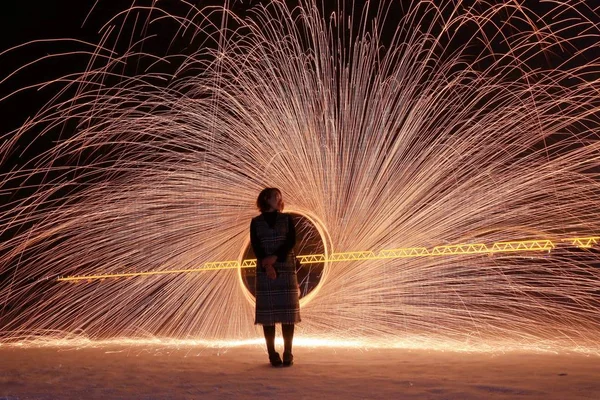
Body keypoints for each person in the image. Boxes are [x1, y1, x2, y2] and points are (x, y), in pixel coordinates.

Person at [250, 187, 300, 367]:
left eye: (280, 196)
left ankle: (288, 352)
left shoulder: (287, 219)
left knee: (288, 314)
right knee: (268, 315)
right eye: (275, 196)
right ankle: (272, 353)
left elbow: (291, 242)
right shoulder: (255, 222)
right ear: (265, 199)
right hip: (265, 268)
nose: (279, 199)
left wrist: (275, 258)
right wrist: (267, 264)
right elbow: (256, 245)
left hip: (285, 266)